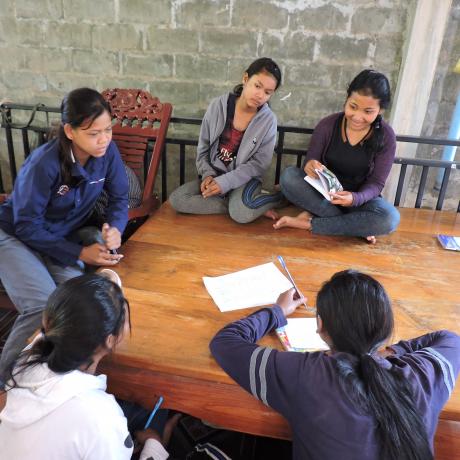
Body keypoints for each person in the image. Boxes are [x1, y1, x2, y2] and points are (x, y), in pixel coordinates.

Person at [210, 270, 460, 460]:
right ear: (386, 327)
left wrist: (277, 311)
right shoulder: (425, 375)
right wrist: (392, 352)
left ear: (320, 325)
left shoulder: (305, 376)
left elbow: (225, 343)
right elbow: (450, 340)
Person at [0, 87, 128, 385]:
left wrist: (116, 229)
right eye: (93, 133)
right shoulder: (43, 164)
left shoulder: (107, 152)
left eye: (108, 129)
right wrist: (80, 254)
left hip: (60, 238)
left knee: (79, 305)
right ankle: (5, 383)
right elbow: (27, 225)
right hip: (14, 236)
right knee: (41, 304)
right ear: (70, 131)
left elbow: (120, 199)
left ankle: (53, 378)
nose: (104, 139)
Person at [0, 273, 177, 460]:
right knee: (157, 410)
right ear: (110, 340)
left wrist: (105, 291)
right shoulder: (100, 416)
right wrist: (155, 447)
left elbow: (77, 309)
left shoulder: (32, 354)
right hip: (92, 430)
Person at [274, 69, 400, 243]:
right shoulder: (328, 125)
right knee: (289, 177)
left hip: (360, 201)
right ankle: (355, 227)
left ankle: (311, 223)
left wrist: (355, 199)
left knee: (389, 218)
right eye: (353, 107)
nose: (357, 117)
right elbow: (310, 162)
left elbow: (377, 183)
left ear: (380, 111)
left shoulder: (386, 136)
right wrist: (311, 165)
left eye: (368, 111)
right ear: (346, 99)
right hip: (324, 196)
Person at [169, 57, 284, 223]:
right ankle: (247, 205)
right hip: (215, 174)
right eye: (257, 86)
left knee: (240, 215)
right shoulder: (218, 106)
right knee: (178, 199)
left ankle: (277, 198)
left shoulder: (268, 121)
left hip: (243, 180)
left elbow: (259, 165)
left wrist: (227, 182)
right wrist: (208, 174)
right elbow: (204, 148)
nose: (260, 95)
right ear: (245, 79)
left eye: (267, 92)